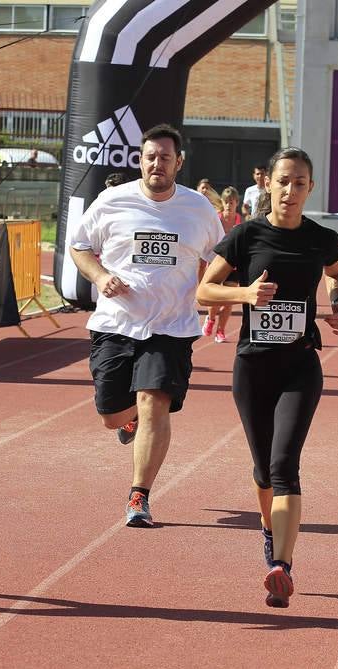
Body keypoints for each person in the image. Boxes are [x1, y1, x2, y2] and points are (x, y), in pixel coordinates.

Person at [196, 147, 338, 608]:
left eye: (299, 182)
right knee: (263, 469)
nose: (289, 190)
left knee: (285, 466)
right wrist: (246, 292)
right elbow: (204, 291)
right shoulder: (246, 236)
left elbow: (336, 276)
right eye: (283, 181)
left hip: (301, 365)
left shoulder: (322, 237)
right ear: (268, 184)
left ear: (310, 188)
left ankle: (281, 565)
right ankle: (269, 530)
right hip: (254, 367)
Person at [69, 124, 225, 528]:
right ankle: (128, 423)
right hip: (116, 323)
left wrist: (215, 295)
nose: (157, 163)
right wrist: (101, 278)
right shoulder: (111, 201)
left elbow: (220, 258)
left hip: (171, 326)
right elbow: (80, 246)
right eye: (151, 156)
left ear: (179, 162)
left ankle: (139, 495)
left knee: (154, 401)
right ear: (140, 159)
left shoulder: (199, 209)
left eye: (165, 157)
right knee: (110, 414)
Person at [202, 186, 241, 342]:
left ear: (236, 203)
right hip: (216, 262)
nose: (228, 205)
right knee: (216, 298)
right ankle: (211, 319)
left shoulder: (239, 220)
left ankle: (221, 330)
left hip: (234, 264)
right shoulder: (216, 218)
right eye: (226, 202)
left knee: (229, 299)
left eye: (231, 202)